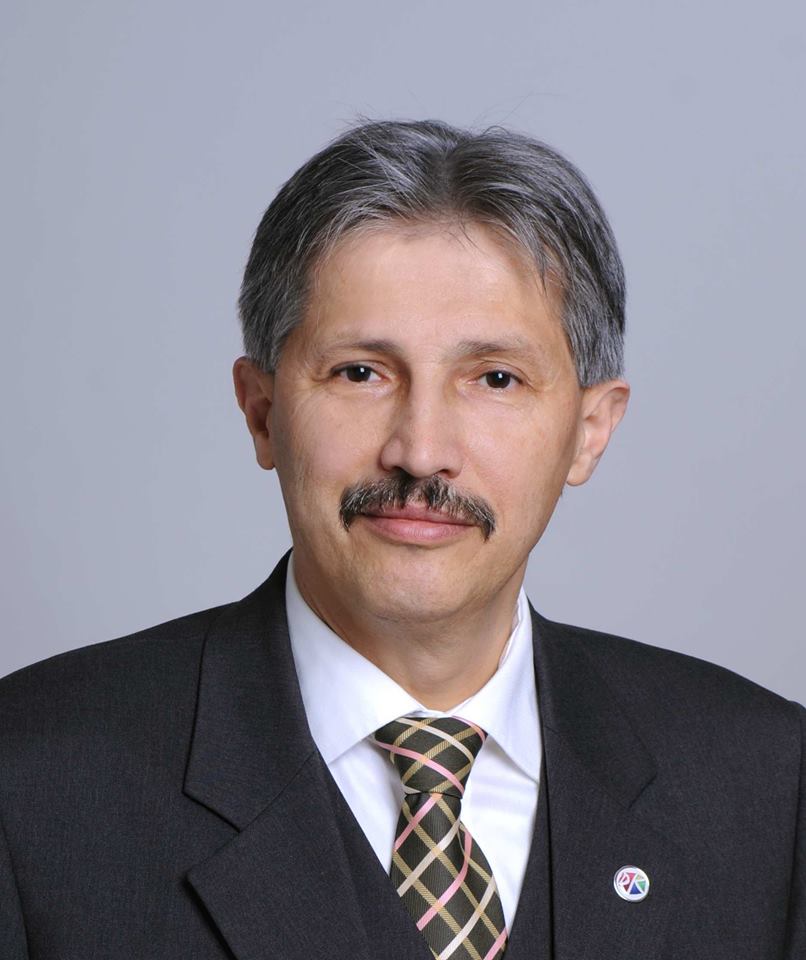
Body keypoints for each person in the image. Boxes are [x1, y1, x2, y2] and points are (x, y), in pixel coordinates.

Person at [0, 119, 802, 960]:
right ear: (262, 412)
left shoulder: (764, 784)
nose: (421, 451)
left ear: (589, 432)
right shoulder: (34, 783)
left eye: (495, 378)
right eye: (360, 372)